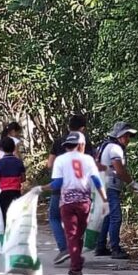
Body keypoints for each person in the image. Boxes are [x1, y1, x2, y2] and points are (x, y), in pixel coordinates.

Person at [47, 132, 106, 275]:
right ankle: (76, 263)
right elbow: (97, 181)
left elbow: (57, 184)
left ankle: (76, 270)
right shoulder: (88, 159)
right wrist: (104, 200)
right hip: (84, 203)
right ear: (81, 145)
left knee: (72, 237)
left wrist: (42, 188)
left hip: (67, 203)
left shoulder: (60, 160)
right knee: (78, 236)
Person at [46, 114, 95, 265]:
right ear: (83, 129)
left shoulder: (59, 142)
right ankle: (75, 252)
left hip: (61, 189)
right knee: (79, 225)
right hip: (82, 192)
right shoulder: (86, 145)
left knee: (54, 216)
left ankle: (64, 248)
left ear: (68, 127)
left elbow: (50, 164)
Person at [96, 121, 138, 260]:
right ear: (119, 136)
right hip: (109, 187)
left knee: (107, 217)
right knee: (116, 217)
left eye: (129, 136)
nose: (128, 140)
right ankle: (115, 248)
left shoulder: (104, 146)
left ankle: (100, 246)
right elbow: (119, 169)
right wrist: (132, 183)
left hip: (100, 185)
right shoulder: (115, 149)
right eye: (126, 136)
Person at [0, 137, 26, 227]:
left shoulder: (0, 163)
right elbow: (23, 178)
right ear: (14, 148)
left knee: (4, 214)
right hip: (16, 192)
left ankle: (6, 234)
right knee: (16, 214)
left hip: (3, 193)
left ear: (2, 149)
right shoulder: (19, 162)